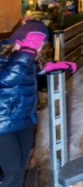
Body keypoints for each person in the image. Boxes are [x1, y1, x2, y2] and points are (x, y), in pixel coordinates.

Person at [0, 12, 51, 186]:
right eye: (35, 42)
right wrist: (26, 52)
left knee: (22, 168)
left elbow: (29, 75)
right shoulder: (2, 55)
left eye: (40, 44)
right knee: (11, 171)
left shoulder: (29, 59)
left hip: (24, 120)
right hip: (3, 124)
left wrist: (51, 67)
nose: (38, 48)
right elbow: (6, 80)